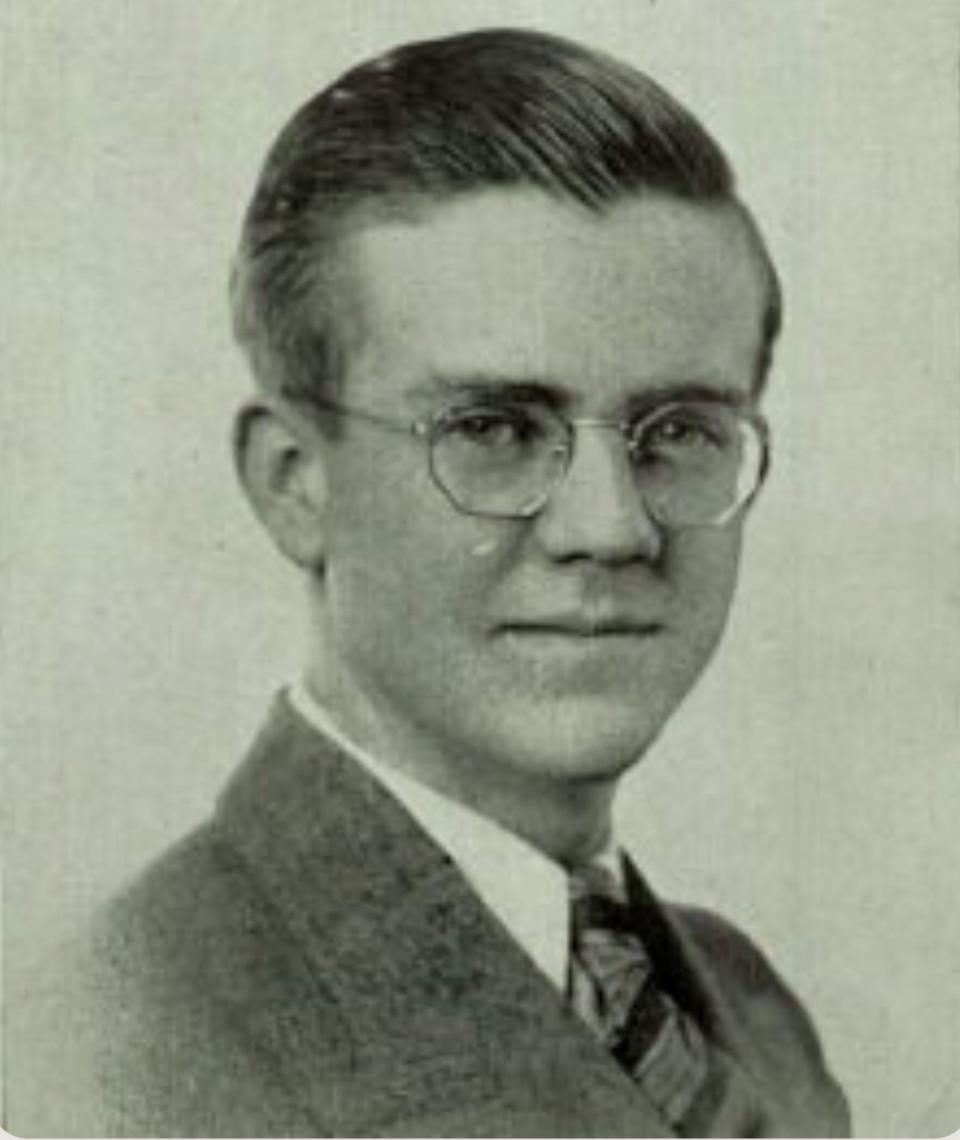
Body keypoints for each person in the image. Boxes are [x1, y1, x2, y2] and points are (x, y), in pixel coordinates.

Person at [8, 28, 850, 1138]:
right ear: (294, 483)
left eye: (679, 430)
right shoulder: (111, 1050)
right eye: (495, 428)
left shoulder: (748, 1008)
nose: (611, 527)